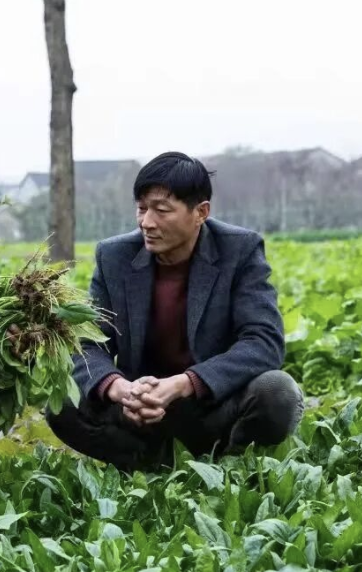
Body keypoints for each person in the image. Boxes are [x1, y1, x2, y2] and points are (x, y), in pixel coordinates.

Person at [47, 152, 304, 470]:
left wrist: (184, 383)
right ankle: (149, 464)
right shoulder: (114, 256)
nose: (147, 222)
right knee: (63, 401)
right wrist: (121, 389)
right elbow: (88, 342)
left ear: (201, 212)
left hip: (213, 408)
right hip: (141, 411)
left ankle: (227, 465)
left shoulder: (239, 250)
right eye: (142, 208)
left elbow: (264, 342)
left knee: (277, 391)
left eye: (161, 210)